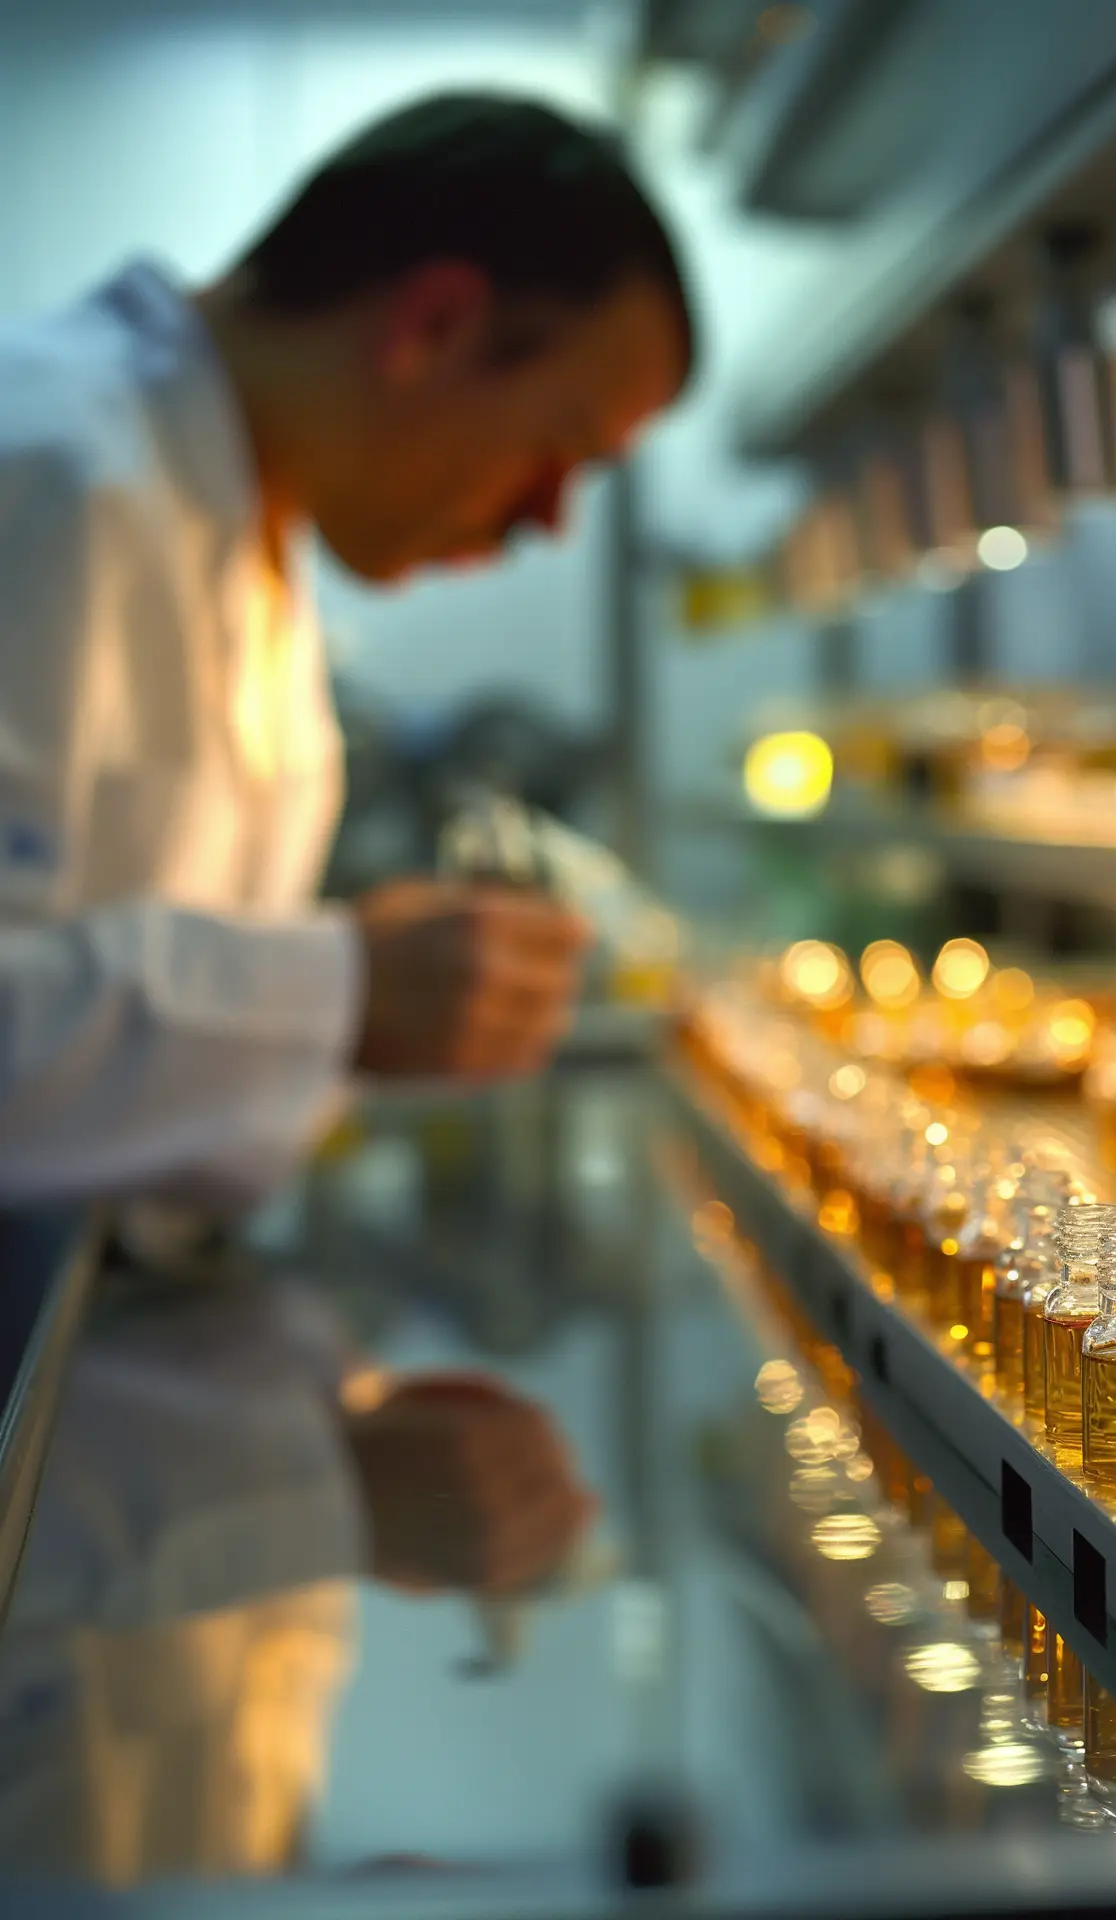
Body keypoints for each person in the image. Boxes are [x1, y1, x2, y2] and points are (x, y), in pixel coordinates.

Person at [0, 92, 696, 1879]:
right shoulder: (48, 465)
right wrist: (332, 995)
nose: (549, 523)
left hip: (130, 1420)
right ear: (439, 321)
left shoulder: (232, 518)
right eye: (559, 447)